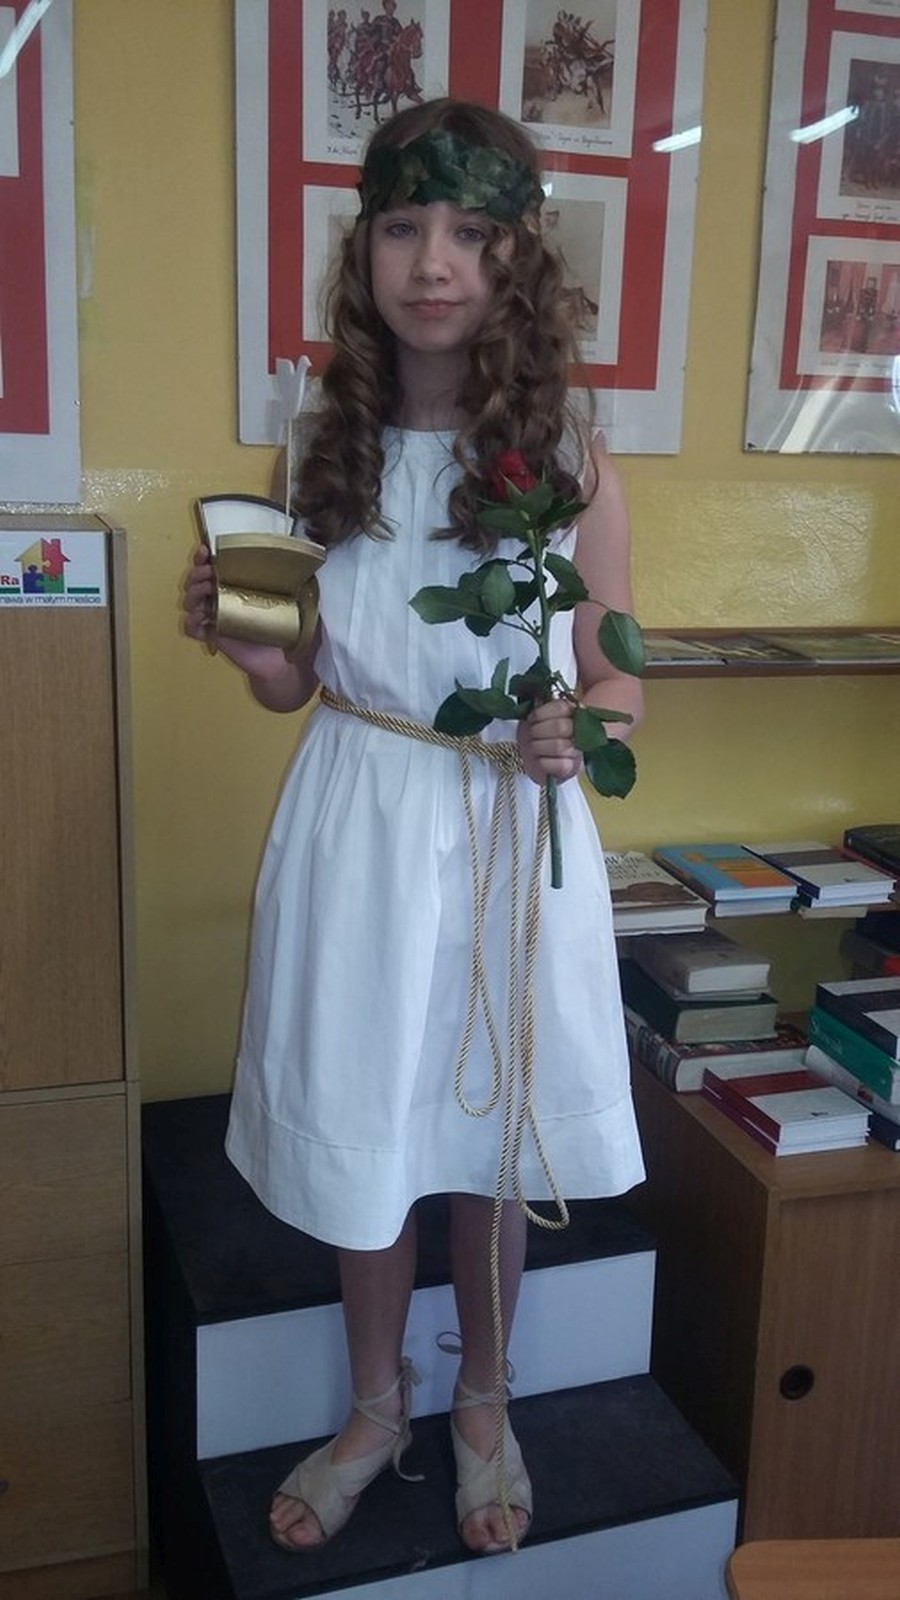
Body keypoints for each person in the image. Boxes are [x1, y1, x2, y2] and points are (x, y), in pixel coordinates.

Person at [182, 96, 644, 1559]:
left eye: (469, 230)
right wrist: (245, 644)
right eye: (400, 227)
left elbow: (619, 679)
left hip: (513, 831)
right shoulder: (322, 446)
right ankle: (377, 1408)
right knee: (368, 1132)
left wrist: (581, 733)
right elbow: (293, 684)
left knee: (493, 1134)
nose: (432, 262)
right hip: (360, 834)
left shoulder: (571, 453)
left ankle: (485, 1403)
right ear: (363, 249)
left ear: (519, 257)